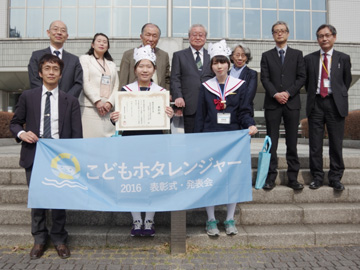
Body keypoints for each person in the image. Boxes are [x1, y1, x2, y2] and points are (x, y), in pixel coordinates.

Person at [10, 54, 83, 259]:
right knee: (38, 199)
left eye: (55, 69)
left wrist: (75, 159)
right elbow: (15, 123)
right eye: (47, 68)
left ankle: (59, 239)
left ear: (61, 74)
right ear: (40, 73)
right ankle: (39, 239)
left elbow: (77, 134)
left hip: (61, 158)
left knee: (59, 198)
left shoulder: (70, 101)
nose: (51, 72)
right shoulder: (28, 96)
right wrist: (22, 134)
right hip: (34, 154)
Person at [194, 40, 258, 236]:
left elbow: (245, 111)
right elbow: (200, 116)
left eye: (222, 62)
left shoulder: (240, 85)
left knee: (232, 179)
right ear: (211, 65)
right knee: (210, 179)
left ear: (228, 64)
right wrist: (197, 140)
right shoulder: (205, 87)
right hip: (210, 138)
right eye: (215, 62)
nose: (219, 66)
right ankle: (211, 219)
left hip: (232, 139)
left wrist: (250, 124)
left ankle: (230, 218)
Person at [110, 45, 174, 236]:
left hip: (155, 141)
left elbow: (164, 121)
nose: (145, 70)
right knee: (133, 180)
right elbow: (118, 119)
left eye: (148, 66)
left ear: (154, 69)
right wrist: (115, 117)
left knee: (152, 179)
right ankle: (136, 220)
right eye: (141, 66)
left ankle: (150, 220)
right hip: (131, 141)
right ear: (135, 69)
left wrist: (169, 115)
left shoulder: (161, 91)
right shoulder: (125, 90)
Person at [304, 24, 352, 191]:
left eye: (327, 35)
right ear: (317, 39)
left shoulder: (343, 58)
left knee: (336, 142)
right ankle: (317, 177)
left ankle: (335, 177)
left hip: (335, 103)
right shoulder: (309, 59)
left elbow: (346, 81)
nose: (324, 38)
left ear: (334, 37)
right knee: (315, 143)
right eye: (320, 36)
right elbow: (307, 83)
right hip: (316, 103)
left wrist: (336, 95)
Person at [260, 21, 306, 191]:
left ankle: (293, 177)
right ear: (273, 35)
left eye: (282, 31)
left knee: (292, 142)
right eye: (276, 31)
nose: (279, 34)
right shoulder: (266, 55)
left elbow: (301, 77)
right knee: (271, 142)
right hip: (272, 104)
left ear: (288, 33)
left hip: (291, 103)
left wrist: (288, 93)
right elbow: (264, 78)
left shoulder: (297, 54)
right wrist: (275, 94)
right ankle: (270, 177)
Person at [171, 24, 214, 133]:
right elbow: (175, 78)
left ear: (205, 38)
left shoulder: (212, 56)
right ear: (189, 37)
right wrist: (178, 96)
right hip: (188, 105)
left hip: (209, 105)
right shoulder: (179, 55)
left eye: (201, 35)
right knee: (190, 138)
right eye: (194, 35)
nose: (198, 38)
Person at [28, 20, 83, 98]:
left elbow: (78, 83)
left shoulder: (74, 60)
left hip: (66, 104)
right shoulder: (36, 56)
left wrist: (65, 99)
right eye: (55, 29)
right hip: (43, 102)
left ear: (66, 36)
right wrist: (48, 96)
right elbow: (34, 80)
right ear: (48, 33)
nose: (59, 32)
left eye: (63, 30)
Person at [79, 33, 119, 138]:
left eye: (105, 42)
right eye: (99, 41)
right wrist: (97, 101)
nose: (102, 44)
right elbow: (85, 82)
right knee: (89, 140)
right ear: (92, 45)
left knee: (107, 142)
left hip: (107, 110)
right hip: (90, 108)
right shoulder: (85, 59)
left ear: (108, 46)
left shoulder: (112, 64)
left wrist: (110, 103)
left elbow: (116, 86)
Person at [119, 23, 170, 90]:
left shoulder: (164, 55)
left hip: (157, 96)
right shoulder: (128, 54)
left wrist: (167, 93)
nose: (151, 39)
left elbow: (167, 79)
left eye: (154, 36)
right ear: (141, 36)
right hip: (134, 95)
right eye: (148, 35)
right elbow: (123, 79)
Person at [229, 43, 258, 118]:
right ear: (232, 57)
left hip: (244, 113)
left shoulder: (252, 74)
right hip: (226, 112)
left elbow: (249, 96)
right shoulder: (226, 73)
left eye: (243, 55)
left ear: (247, 58)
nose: (240, 58)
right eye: (237, 55)